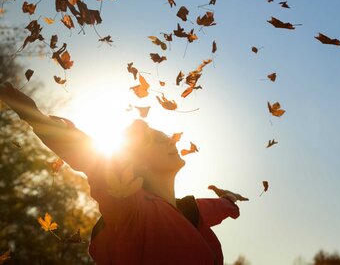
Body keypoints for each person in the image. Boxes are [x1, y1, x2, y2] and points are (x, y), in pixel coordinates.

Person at [0, 82, 247, 265]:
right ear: (136, 163)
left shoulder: (191, 210)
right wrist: (26, 109)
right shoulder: (130, 204)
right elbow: (85, 153)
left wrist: (229, 199)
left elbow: (222, 206)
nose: (171, 142)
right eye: (159, 141)